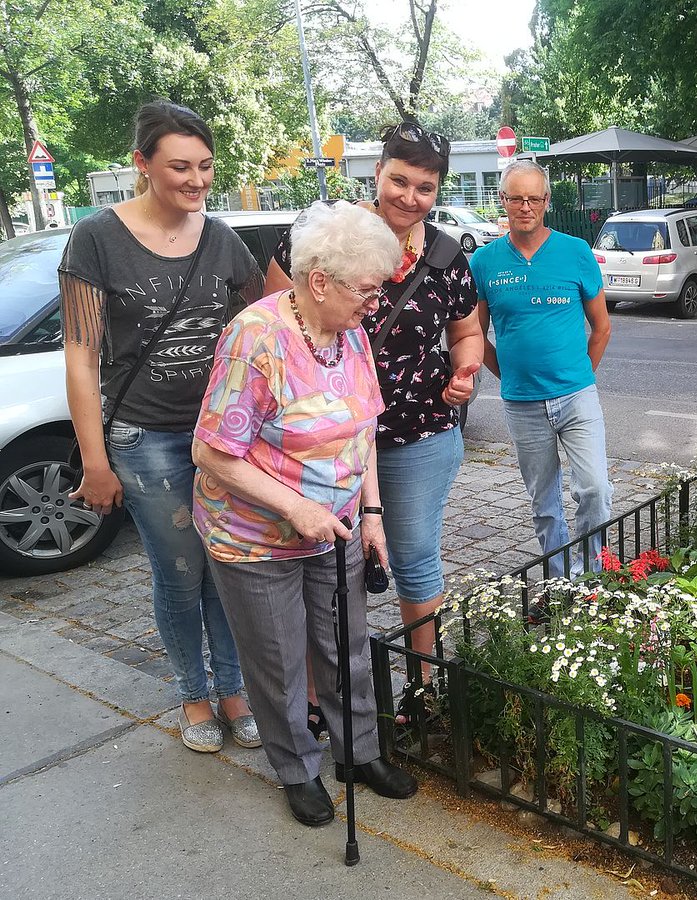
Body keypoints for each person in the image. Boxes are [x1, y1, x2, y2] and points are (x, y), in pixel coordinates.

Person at [193, 200, 418, 827]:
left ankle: (358, 752)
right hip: (256, 537)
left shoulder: (349, 331)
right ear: (319, 281)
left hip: (337, 526)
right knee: (281, 661)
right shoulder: (255, 339)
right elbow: (211, 453)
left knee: (344, 645)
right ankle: (297, 767)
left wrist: (370, 513)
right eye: (367, 291)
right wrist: (297, 507)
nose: (375, 304)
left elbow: (363, 427)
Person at [264, 121, 483, 730]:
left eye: (425, 186)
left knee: (412, 556)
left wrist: (465, 372)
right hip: (324, 440)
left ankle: (423, 687)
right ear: (377, 172)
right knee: (325, 567)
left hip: (416, 434)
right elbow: (274, 325)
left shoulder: (444, 256)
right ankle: (320, 697)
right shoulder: (319, 236)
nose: (409, 197)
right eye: (398, 180)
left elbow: (467, 330)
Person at [59, 100, 263, 754]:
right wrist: (95, 459)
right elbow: (81, 355)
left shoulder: (221, 237)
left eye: (205, 166)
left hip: (222, 442)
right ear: (142, 164)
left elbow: (259, 329)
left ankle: (234, 689)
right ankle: (194, 696)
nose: (197, 180)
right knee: (180, 573)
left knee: (225, 565)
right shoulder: (96, 238)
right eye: (180, 166)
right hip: (144, 440)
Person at [468, 159, 614, 579]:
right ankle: (558, 577)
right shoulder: (485, 262)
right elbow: (475, 336)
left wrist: (580, 374)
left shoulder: (575, 252)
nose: (526, 206)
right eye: (517, 198)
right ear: (503, 201)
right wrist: (507, 374)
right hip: (522, 404)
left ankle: (590, 575)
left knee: (595, 490)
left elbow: (601, 327)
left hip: (576, 396)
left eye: (534, 198)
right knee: (544, 502)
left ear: (547, 201)